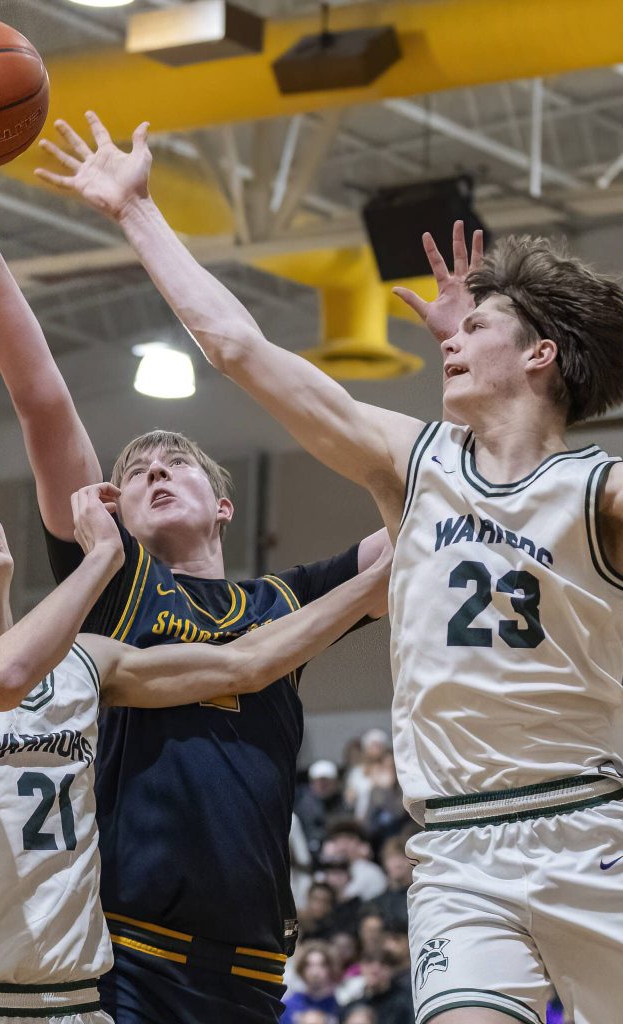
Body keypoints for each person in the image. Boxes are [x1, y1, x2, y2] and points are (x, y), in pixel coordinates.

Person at [42, 110, 623, 1024]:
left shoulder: (601, 487)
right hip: (459, 846)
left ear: (540, 355)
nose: (450, 338)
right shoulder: (414, 463)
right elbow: (238, 348)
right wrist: (136, 211)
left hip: (593, 819)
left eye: (474, 328)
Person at [0, 104, 391, 1024]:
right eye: (134, 472)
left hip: (253, 954)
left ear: (224, 502)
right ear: (112, 510)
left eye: (176, 466)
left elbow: (424, 501)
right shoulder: (115, 579)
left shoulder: (287, 597)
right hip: (127, 943)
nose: (152, 471)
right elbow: (41, 397)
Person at [0, 460, 388, 1024]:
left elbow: (245, 663)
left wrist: (380, 580)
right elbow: (2, 679)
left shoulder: (85, 660)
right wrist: (105, 557)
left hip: (81, 1005)